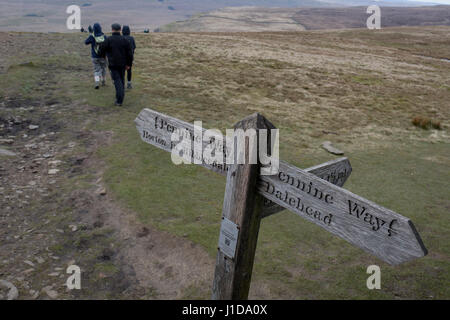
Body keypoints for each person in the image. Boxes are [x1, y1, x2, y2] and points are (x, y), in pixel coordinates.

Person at [98, 23, 133, 106]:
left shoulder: (108, 40)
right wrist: (129, 64)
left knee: (117, 81)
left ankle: (119, 100)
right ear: (120, 30)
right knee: (121, 80)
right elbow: (130, 54)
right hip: (123, 64)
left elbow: (101, 50)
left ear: (112, 29)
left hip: (113, 64)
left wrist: (103, 56)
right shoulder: (125, 40)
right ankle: (120, 96)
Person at [84, 23, 107, 89]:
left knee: (96, 70)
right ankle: (103, 81)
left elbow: (86, 42)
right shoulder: (104, 36)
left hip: (94, 56)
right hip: (103, 56)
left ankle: (97, 83)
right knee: (103, 69)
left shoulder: (92, 36)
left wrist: (91, 35)